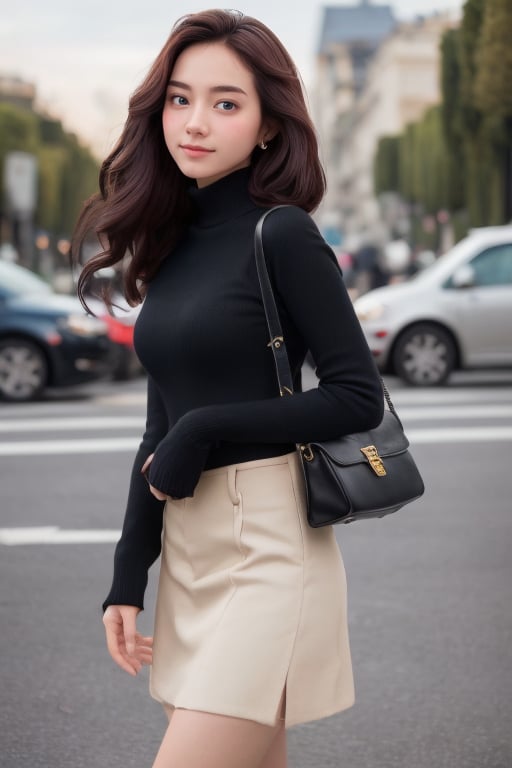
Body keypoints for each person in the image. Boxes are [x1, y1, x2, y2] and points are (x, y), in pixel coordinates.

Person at [73, 10, 383, 768]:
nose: (195, 123)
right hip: (192, 549)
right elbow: (160, 425)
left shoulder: (281, 233)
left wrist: (205, 428)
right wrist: (125, 578)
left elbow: (355, 395)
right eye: (180, 99)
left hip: (269, 546)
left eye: (226, 102)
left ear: (270, 125)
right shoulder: (170, 246)